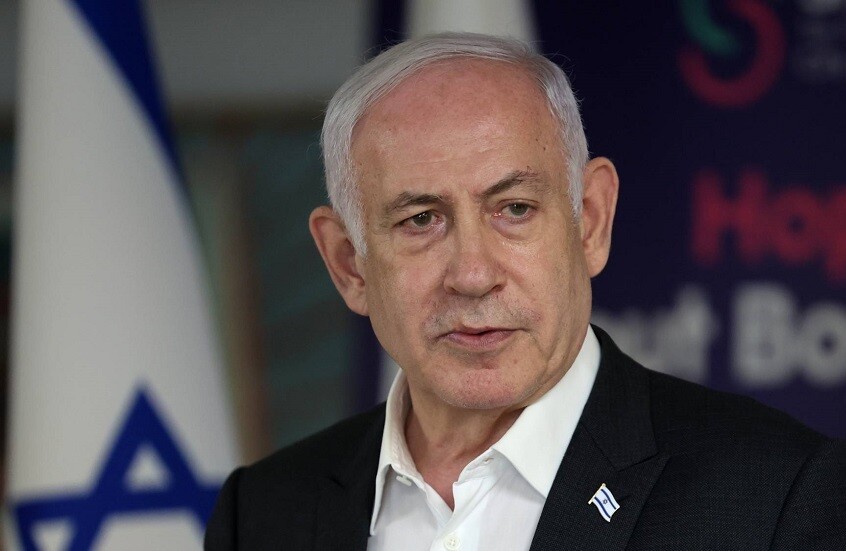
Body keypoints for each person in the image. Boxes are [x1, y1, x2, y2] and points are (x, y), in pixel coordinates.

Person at [204, 32, 846, 550]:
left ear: (590, 221)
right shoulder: (261, 515)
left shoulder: (779, 498)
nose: (473, 274)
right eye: (420, 220)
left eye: (514, 209)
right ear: (349, 265)